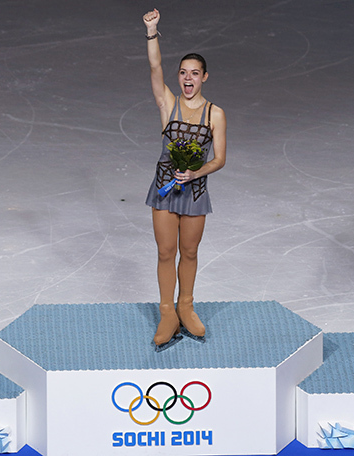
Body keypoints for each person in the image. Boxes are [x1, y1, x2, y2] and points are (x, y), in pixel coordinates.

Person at [143, 9, 226, 351]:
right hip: (164, 190)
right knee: (166, 252)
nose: (187, 79)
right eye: (183, 73)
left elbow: (219, 159)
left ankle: (186, 306)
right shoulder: (168, 104)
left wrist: (195, 172)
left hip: (194, 193)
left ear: (205, 77)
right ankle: (167, 313)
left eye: (194, 73)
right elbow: (154, 68)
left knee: (189, 252)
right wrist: (152, 31)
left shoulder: (215, 114)